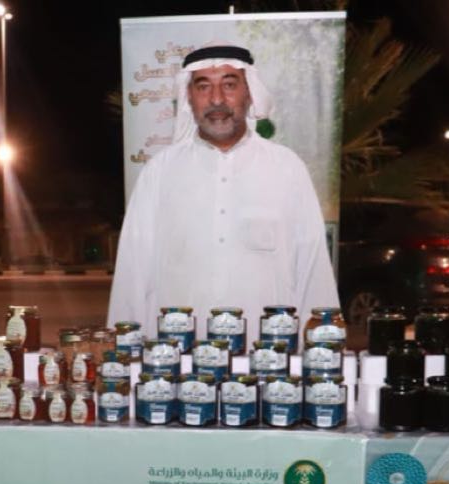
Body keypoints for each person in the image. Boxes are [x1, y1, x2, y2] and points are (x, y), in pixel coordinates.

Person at [106, 44, 340, 336]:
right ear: (189, 97)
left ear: (249, 92)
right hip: (177, 354)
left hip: (268, 353)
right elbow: (132, 271)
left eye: (229, 85)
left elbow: (312, 268)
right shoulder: (160, 172)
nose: (216, 99)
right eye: (203, 87)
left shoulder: (287, 168)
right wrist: (123, 350)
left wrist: (321, 348)